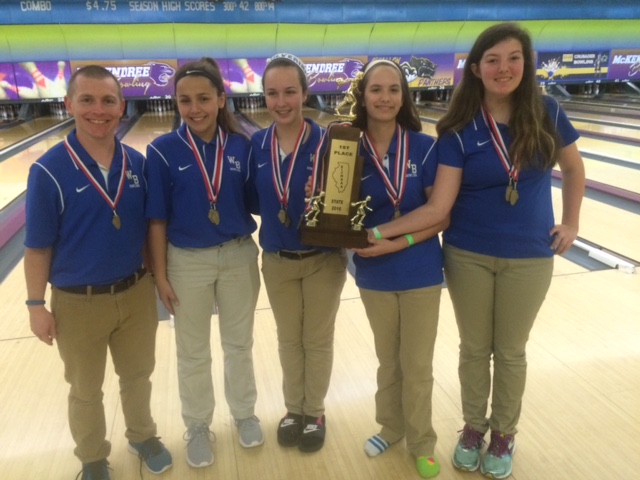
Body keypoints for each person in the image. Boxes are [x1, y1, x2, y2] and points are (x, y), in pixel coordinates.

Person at [369, 23, 585, 479]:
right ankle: (472, 428)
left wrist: (572, 222)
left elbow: (573, 166)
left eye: (512, 58)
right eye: (492, 59)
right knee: (473, 348)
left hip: (529, 253)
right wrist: (381, 234)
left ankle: (503, 434)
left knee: (510, 351)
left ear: (525, 64)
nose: (503, 68)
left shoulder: (547, 110)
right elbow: (440, 205)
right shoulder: (459, 128)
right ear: (476, 69)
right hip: (467, 252)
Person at [24, 65, 172, 480]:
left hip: (134, 292)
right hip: (77, 302)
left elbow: (147, 231)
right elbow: (37, 248)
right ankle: (92, 458)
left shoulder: (137, 164)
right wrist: (36, 305)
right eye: (86, 100)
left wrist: (157, 279)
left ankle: (142, 435)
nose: (98, 110)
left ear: (122, 107)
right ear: (69, 104)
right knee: (86, 391)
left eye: (108, 100)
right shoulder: (48, 170)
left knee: (138, 376)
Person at [146, 58, 262, 468]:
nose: (194, 108)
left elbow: (255, 201)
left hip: (237, 255)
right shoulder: (161, 151)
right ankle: (197, 425)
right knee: (192, 351)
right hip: (186, 262)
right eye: (184, 100)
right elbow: (156, 220)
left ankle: (244, 412)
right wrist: (160, 276)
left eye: (203, 99)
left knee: (239, 345)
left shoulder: (242, 146)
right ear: (175, 102)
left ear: (220, 99)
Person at [346, 59, 448, 479]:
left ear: (403, 96)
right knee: (388, 360)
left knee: (417, 365)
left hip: (421, 270)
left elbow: (440, 216)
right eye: (376, 89)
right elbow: (338, 212)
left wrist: (397, 240)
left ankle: (422, 441)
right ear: (363, 96)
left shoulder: (424, 147)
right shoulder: (347, 149)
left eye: (393, 89)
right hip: (374, 274)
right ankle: (390, 427)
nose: (385, 97)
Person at [250, 53, 347, 453]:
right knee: (289, 339)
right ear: (264, 97)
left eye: (290, 91)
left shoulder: (333, 144)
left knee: (317, 339)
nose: (282, 101)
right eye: (273, 93)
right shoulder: (256, 143)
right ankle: (294, 409)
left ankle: (315, 411)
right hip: (276, 260)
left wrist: (327, 203)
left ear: (305, 93)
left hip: (323, 259)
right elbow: (251, 201)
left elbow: (350, 203)